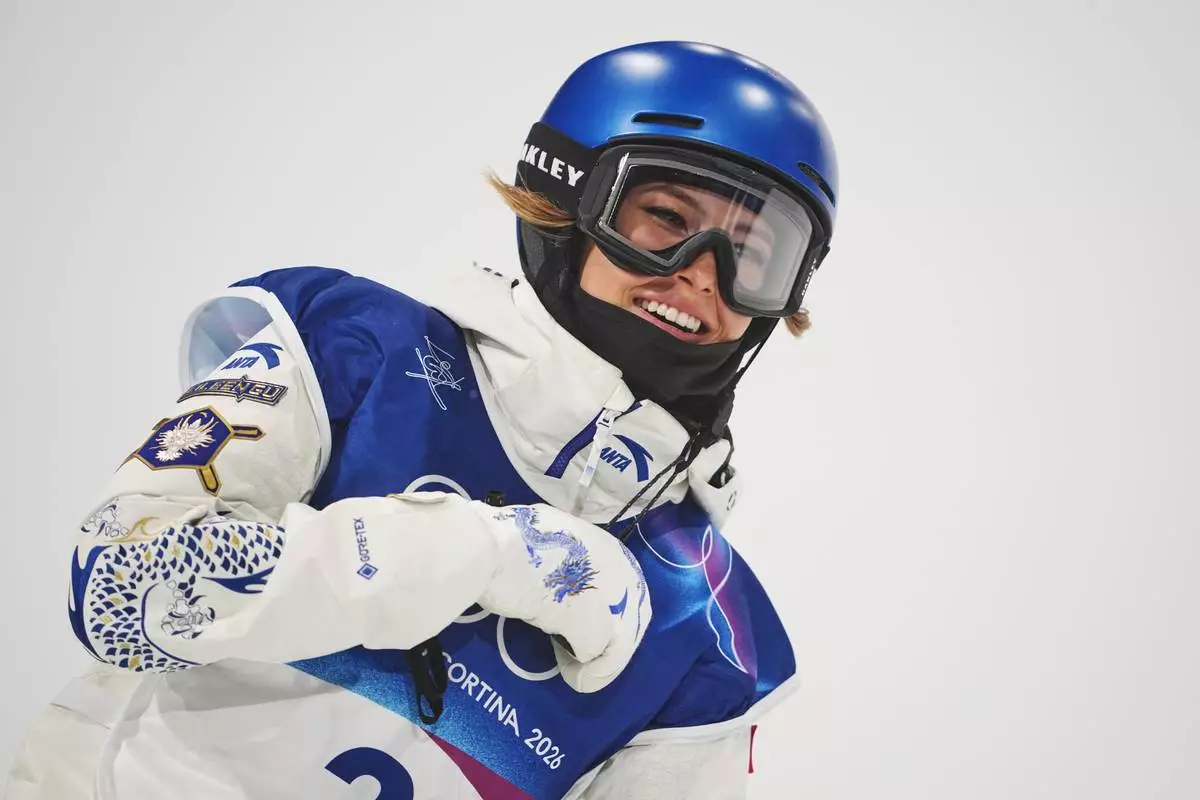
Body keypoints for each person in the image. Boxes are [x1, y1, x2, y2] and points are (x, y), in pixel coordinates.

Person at [6, 40, 838, 800]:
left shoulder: (710, 634)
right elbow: (120, 589)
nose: (702, 275)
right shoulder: (355, 351)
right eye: (665, 219)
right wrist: (485, 553)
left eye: (755, 257)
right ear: (564, 197)